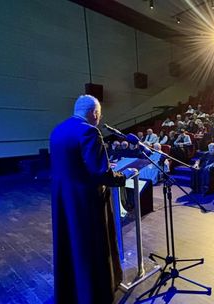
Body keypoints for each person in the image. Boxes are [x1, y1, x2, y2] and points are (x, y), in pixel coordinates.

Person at [50, 95, 135, 304]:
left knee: (72, 243)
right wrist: (124, 176)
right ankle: (94, 294)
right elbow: (100, 174)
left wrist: (103, 166)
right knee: (90, 245)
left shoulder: (57, 130)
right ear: (94, 113)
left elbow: (74, 163)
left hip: (63, 199)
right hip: (85, 201)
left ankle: (73, 292)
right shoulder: (89, 130)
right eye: (99, 114)